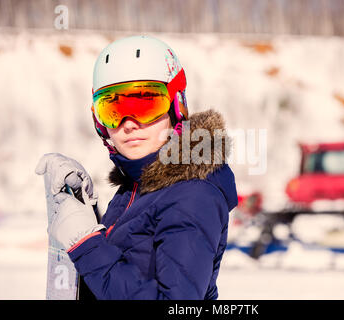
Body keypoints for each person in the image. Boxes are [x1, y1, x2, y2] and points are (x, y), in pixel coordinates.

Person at [35, 35, 238, 300]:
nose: (128, 123)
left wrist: (86, 244)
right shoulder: (138, 188)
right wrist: (89, 216)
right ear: (99, 122)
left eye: (145, 104)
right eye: (113, 109)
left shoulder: (192, 196)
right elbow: (125, 271)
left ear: (177, 107)